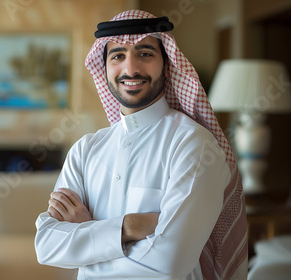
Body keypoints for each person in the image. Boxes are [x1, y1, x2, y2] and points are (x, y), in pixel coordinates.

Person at [34, 9, 248, 280]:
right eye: (118, 56)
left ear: (168, 66)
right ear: (105, 68)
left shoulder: (194, 145)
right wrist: (129, 226)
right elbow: (47, 246)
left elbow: (169, 263)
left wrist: (88, 240)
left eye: (145, 54)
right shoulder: (85, 150)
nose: (131, 68)